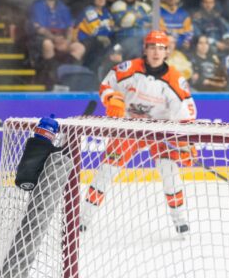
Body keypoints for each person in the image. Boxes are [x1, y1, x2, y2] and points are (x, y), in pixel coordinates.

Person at [83, 31, 198, 234]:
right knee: (105, 172)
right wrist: (111, 98)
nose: (156, 52)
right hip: (128, 129)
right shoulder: (128, 68)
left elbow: (185, 115)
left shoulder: (175, 80)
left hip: (159, 132)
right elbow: (106, 85)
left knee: (170, 173)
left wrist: (186, 144)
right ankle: (83, 218)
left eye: (161, 48)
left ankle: (180, 221)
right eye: (152, 47)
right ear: (145, 49)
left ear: (167, 52)